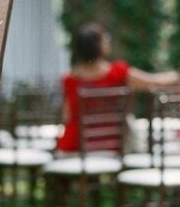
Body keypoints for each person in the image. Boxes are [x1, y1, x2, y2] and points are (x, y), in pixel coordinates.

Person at [57, 22, 180, 152]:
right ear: (100, 47)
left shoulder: (69, 80)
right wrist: (175, 75)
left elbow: (66, 116)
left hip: (74, 146)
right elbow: (154, 82)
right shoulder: (118, 73)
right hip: (109, 144)